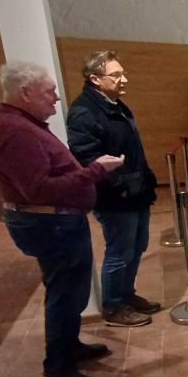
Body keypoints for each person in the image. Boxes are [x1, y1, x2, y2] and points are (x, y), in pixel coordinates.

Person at [0, 62, 124, 377]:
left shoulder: (18, 124)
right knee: (64, 295)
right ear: (25, 92)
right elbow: (39, 189)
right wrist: (95, 170)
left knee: (67, 292)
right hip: (51, 223)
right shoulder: (14, 131)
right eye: (50, 92)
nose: (57, 98)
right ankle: (58, 370)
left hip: (54, 221)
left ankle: (69, 347)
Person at [67, 51, 160, 327]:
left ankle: (126, 295)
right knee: (120, 252)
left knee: (138, 246)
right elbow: (88, 158)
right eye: (116, 75)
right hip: (116, 197)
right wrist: (121, 187)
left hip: (136, 191)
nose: (124, 79)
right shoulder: (84, 112)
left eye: (123, 73)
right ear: (95, 79)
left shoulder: (116, 105)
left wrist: (144, 180)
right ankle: (113, 306)